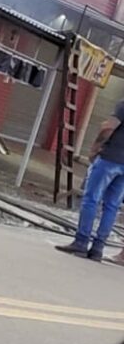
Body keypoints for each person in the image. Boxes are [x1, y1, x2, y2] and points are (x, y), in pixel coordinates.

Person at [57, 100, 124, 262]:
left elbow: (109, 127)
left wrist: (95, 148)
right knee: (112, 206)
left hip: (110, 158)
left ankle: (81, 242)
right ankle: (98, 248)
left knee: (91, 199)